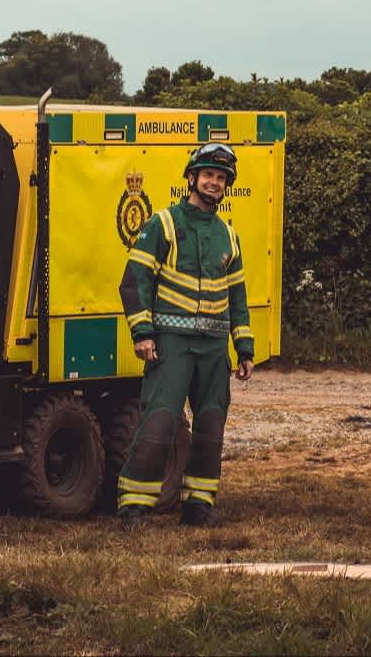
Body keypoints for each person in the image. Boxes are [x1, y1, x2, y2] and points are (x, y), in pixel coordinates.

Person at [116, 142, 255, 527]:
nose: (214, 182)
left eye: (221, 178)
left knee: (211, 428)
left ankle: (199, 506)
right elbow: (134, 282)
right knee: (159, 424)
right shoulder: (162, 224)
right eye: (208, 175)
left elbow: (237, 296)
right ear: (192, 178)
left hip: (213, 348)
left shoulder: (229, 235)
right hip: (171, 344)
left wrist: (244, 347)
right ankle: (134, 506)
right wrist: (142, 333)